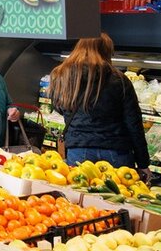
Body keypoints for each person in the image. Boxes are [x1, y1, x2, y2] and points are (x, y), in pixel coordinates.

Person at [50, 33, 149, 171]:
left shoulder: (61, 75)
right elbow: (133, 123)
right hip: (116, 151)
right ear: (106, 51)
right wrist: (143, 163)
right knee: (118, 186)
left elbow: (58, 106)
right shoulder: (119, 80)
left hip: (79, 149)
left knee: (80, 185)